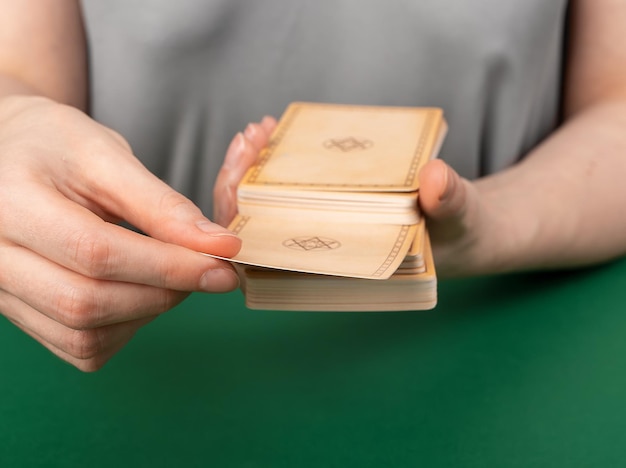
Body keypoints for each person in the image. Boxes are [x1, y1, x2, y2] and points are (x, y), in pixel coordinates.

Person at [1, 0, 625, 371]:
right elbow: (15, 72)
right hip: (130, 356)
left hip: (510, 337)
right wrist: (11, 123)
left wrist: (495, 221)